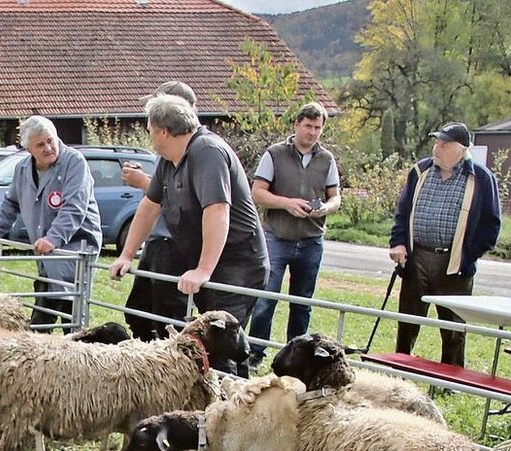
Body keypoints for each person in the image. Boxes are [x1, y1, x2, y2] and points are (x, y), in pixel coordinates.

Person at [109, 95, 268, 329]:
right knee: (204, 340)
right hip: (206, 260)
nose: (149, 135)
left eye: (150, 129)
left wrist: (203, 270)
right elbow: (149, 207)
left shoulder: (207, 151)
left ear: (164, 131)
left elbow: (217, 209)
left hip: (236, 262)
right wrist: (127, 254)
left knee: (220, 340)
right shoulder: (168, 159)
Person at [389, 122, 502, 368]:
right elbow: (402, 213)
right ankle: (399, 370)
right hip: (416, 258)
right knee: (407, 322)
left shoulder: (481, 178)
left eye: (444, 143)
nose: (436, 147)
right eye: (436, 141)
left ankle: (451, 380)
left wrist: (467, 255)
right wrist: (399, 243)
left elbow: (491, 225)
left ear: (461, 150)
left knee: (452, 328)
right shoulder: (420, 171)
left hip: (454, 264)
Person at [0, 116, 101, 331]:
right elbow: (11, 203)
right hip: (46, 253)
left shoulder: (74, 162)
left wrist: (54, 237)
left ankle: (72, 353)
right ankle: (39, 351)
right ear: (29, 149)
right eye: (40, 144)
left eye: (50, 140)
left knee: (71, 312)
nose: (48, 148)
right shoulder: (23, 169)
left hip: (74, 248)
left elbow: (74, 207)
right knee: (42, 310)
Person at [246, 102, 341, 368]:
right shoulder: (275, 154)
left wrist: (324, 208)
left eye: (317, 128)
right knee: (267, 297)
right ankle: (256, 351)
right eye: (308, 126)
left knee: (302, 302)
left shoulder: (327, 159)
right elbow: (258, 193)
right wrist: (287, 203)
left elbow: (336, 197)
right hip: (277, 236)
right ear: (297, 124)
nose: (312, 132)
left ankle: (296, 355)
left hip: (311, 238)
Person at [122, 81, 197, 340]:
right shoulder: (164, 151)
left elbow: (181, 197)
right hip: (157, 238)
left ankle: (167, 365)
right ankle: (147, 360)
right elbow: (155, 197)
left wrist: (142, 181)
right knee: (138, 311)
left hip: (176, 243)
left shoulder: (197, 151)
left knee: (168, 313)